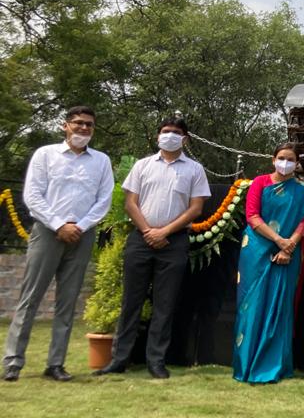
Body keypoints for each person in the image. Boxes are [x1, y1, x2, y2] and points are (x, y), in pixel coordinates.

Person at [3, 107, 114, 382]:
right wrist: (59, 225)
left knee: (68, 300)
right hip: (48, 231)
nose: (84, 129)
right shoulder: (45, 154)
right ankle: (13, 362)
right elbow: (32, 195)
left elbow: (104, 200)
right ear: (65, 126)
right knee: (30, 298)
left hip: (82, 233)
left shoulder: (100, 161)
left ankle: (56, 363)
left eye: (89, 124)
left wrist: (80, 226)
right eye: (78, 123)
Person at [95, 117, 210, 379]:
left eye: (176, 132)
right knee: (131, 302)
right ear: (158, 136)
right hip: (140, 239)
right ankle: (119, 359)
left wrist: (164, 232)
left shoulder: (195, 169)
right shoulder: (142, 165)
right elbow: (130, 203)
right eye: (166, 131)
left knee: (164, 304)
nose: (170, 135)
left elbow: (196, 208)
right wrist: (148, 231)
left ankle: (156, 361)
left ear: (185, 139)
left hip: (175, 241)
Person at [233, 143, 304, 384]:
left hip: (288, 253)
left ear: (297, 163)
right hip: (256, 250)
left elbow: (303, 223)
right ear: (273, 160)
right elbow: (252, 216)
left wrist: (289, 245)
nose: (285, 162)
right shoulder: (259, 183)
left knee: (280, 306)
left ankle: (274, 367)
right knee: (251, 305)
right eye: (281, 158)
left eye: (290, 159)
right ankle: (246, 364)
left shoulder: (303, 191)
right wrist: (278, 240)